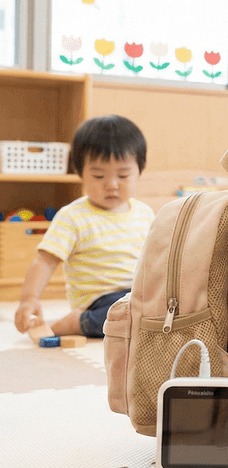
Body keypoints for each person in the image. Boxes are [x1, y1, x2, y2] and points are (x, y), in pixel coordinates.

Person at [14, 115, 154, 338]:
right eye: (98, 175)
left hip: (138, 294)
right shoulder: (73, 217)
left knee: (162, 305)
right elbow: (45, 261)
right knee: (129, 311)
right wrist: (28, 300)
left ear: (139, 171)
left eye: (123, 175)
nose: (112, 184)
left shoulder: (145, 213)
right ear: (80, 172)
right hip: (99, 301)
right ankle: (78, 323)